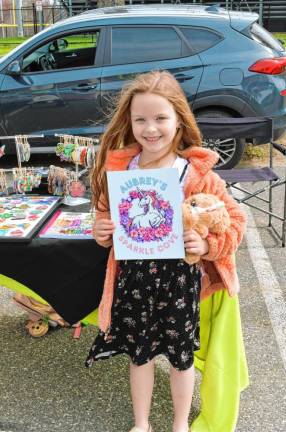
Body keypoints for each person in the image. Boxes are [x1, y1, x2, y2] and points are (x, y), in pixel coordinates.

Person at [85, 70, 246, 432]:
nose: (150, 128)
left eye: (160, 118)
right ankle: (141, 423)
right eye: (140, 119)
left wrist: (208, 245)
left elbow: (235, 221)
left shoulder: (195, 173)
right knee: (139, 355)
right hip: (135, 280)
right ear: (129, 122)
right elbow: (105, 219)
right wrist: (102, 231)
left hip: (179, 282)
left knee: (181, 358)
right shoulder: (122, 169)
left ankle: (179, 424)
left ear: (178, 120)